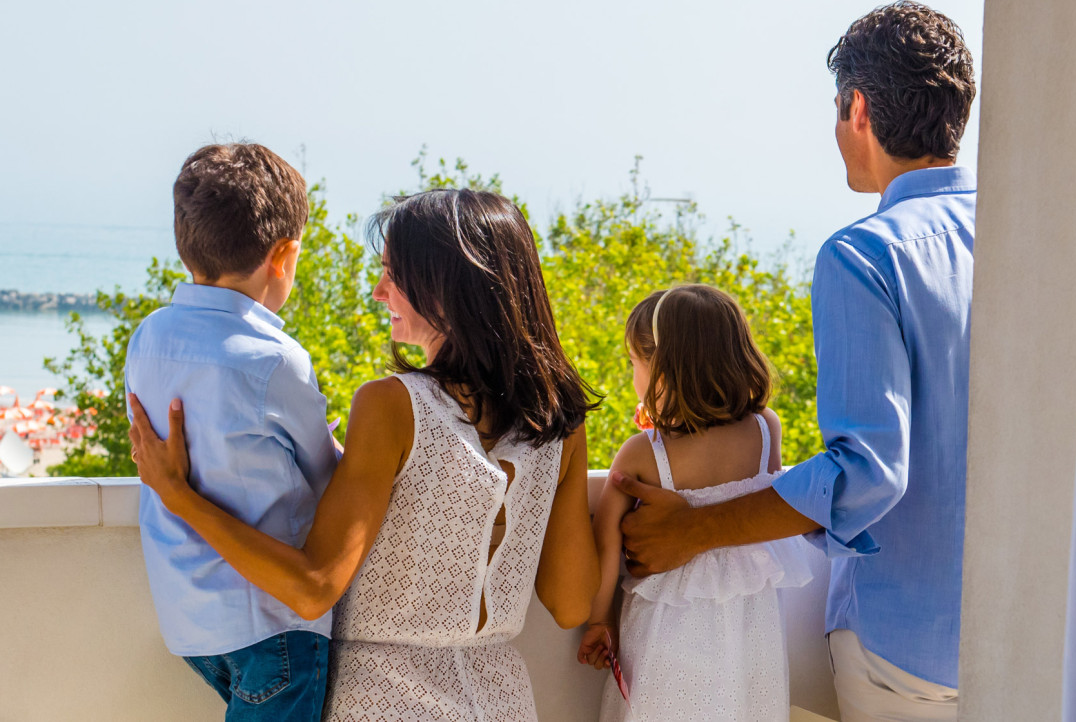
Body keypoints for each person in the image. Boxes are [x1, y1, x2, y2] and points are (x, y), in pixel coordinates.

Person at [613, 3, 977, 720]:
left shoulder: (867, 255)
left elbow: (869, 470)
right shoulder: (1042, 241)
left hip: (909, 655)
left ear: (858, 108)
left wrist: (699, 527)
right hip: (1038, 633)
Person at [128, 188, 601, 721]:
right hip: (499, 703)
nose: (379, 292)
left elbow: (312, 590)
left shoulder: (390, 405)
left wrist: (179, 496)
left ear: (444, 287)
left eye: (392, 275)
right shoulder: (562, 424)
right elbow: (571, 604)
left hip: (383, 699)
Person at [125, 143, 339, 720]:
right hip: (272, 623)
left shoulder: (149, 338)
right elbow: (330, 478)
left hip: (192, 623)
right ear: (284, 254)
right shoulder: (274, 359)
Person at [576, 286, 813, 721]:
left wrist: (599, 621)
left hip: (669, 631)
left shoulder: (643, 454)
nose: (633, 374)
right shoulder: (765, 429)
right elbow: (768, 504)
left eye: (635, 363)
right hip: (750, 629)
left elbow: (606, 542)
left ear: (662, 372)